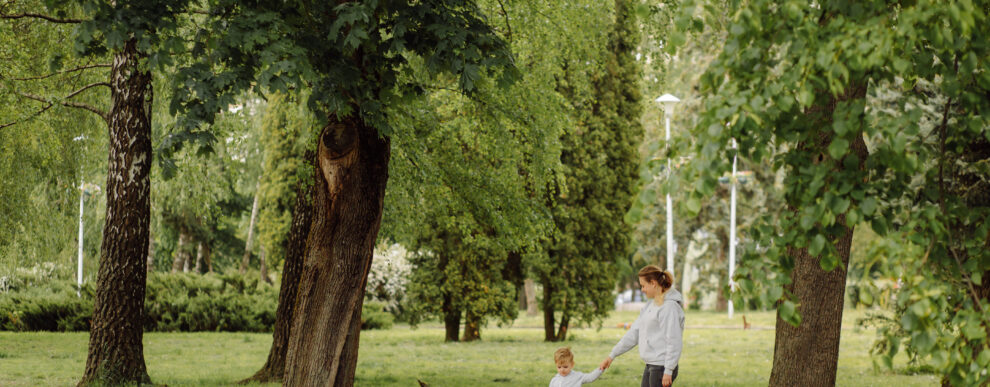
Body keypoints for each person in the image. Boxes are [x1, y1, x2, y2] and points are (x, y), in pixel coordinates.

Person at [600, 265, 684, 387]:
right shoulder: (650, 306)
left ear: (653, 283)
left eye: (643, 285)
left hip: (661, 366)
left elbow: (674, 340)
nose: (642, 289)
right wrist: (612, 355)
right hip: (651, 364)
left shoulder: (669, 307)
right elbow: (634, 333)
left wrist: (668, 370)